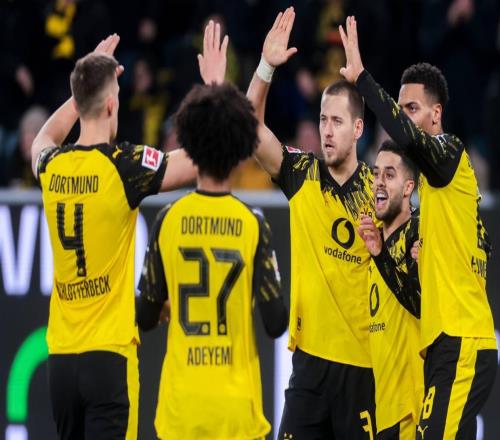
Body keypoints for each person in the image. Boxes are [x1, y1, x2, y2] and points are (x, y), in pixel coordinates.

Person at [31, 34, 196, 440]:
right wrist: (212, 92)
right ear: (110, 105)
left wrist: (81, 90)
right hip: (110, 358)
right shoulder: (122, 166)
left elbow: (41, 139)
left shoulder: (52, 166)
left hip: (61, 362)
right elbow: (196, 161)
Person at [340, 16, 497, 439]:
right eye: (402, 108)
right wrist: (385, 258)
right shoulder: (439, 197)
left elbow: (408, 139)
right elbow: (477, 249)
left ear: (436, 113)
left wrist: (362, 80)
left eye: (412, 109)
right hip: (446, 341)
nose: (405, 117)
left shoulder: (450, 151)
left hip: (462, 338)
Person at [136, 21, 288, 439]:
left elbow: (144, 316)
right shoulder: (252, 224)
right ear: (239, 152)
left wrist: (167, 305)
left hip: (181, 411)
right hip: (236, 412)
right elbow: (276, 321)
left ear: (189, 145)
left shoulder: (168, 220)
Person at [234, 7, 376, 438]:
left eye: (337, 122)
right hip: (310, 366)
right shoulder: (303, 175)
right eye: (322, 120)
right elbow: (250, 129)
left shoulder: (380, 192)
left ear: (358, 128)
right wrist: (265, 67)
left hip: (364, 367)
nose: (327, 131)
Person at [358, 140, 423, 439]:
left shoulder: (418, 233)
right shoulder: (375, 242)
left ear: (408, 187)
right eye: (375, 174)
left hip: (411, 407)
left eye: (389, 174)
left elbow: (420, 303)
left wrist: (380, 254)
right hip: (384, 408)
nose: (379, 182)